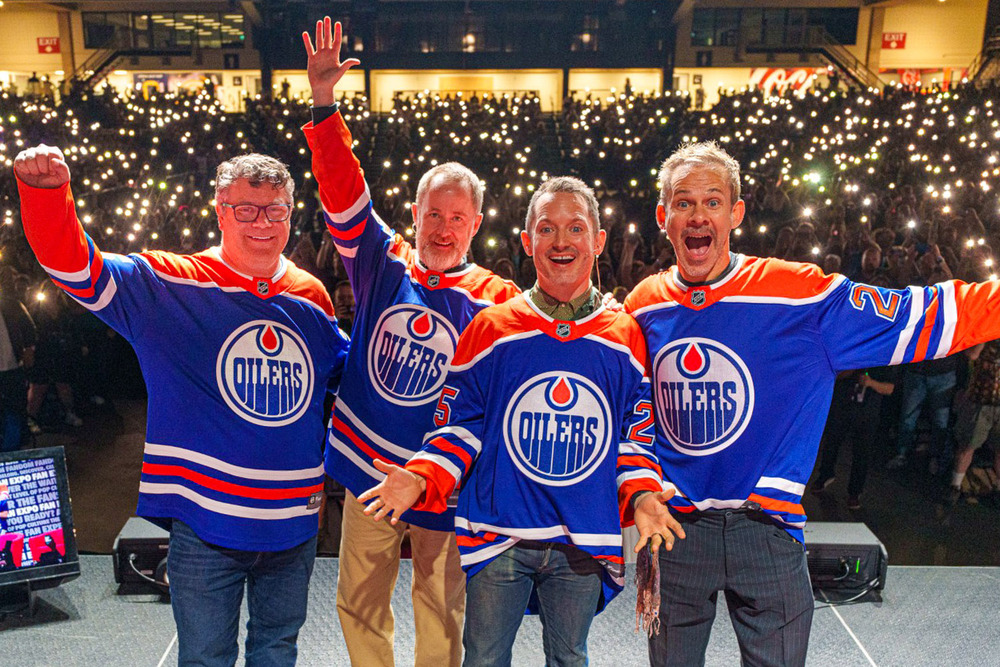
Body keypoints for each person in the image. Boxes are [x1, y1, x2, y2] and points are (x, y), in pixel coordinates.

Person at [624, 141, 1000, 667]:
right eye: (683, 202)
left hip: (769, 532)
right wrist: (639, 494)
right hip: (677, 533)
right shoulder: (642, 303)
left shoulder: (798, 292)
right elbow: (634, 418)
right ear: (664, 216)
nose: (697, 215)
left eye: (712, 201)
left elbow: (922, 314)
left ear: (736, 213)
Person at [15, 144, 349, 666]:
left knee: (278, 652)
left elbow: (343, 379)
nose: (261, 222)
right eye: (245, 209)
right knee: (205, 658)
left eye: (275, 210)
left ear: (290, 213)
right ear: (220, 211)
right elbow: (75, 268)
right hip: (207, 524)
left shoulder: (310, 293)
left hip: (294, 523)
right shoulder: (168, 282)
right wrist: (46, 195)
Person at [359, 176, 684, 666]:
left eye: (576, 229)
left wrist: (640, 496)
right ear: (528, 242)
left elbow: (632, 439)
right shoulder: (490, 328)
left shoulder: (623, 335)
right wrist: (424, 476)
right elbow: (459, 426)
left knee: (569, 659)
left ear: (597, 242)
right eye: (547, 229)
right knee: (485, 659)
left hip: (580, 537)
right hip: (499, 533)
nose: (561, 241)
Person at [301, 19, 520, 667]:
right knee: (358, 602)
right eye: (434, 213)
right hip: (368, 472)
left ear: (476, 223)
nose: (444, 227)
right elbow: (343, 188)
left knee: (442, 608)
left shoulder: (498, 299)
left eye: (458, 217)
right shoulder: (382, 259)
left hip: (445, 485)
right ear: (415, 212)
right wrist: (323, 106)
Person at [946, 339, 1000, 506]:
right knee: (968, 445)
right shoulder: (987, 331)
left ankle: (998, 489)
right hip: (980, 400)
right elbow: (971, 354)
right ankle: (955, 487)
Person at [0, 268, 36, 451]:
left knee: (15, 408)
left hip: (11, 366)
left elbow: (29, 329)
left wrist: (29, 349)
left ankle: (12, 450)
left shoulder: (9, 304)